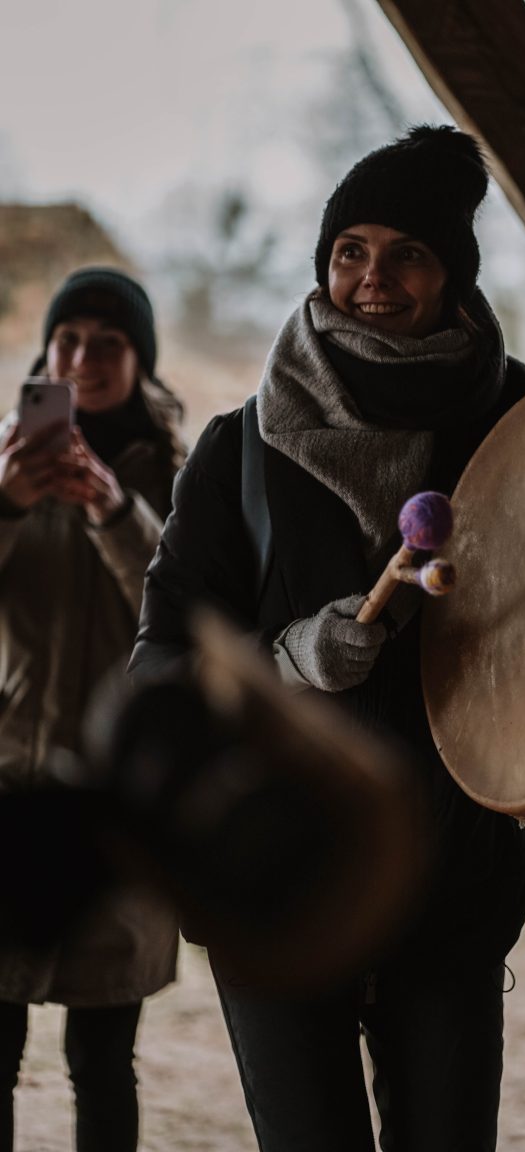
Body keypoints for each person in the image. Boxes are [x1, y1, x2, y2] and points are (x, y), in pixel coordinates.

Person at [129, 125, 525, 1152]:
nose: (372, 279)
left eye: (409, 253)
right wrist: (285, 660)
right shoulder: (240, 450)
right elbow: (162, 664)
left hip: (449, 887)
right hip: (273, 878)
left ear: (454, 274)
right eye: (350, 249)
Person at [0, 267, 184, 1152]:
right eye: (67, 339)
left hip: (120, 805)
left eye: (109, 343)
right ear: (44, 356)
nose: (83, 358)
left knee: (103, 1061)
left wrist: (115, 509)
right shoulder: (4, 463)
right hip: (7, 790)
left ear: (141, 363)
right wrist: (6, 503)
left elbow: (185, 615)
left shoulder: (181, 481)